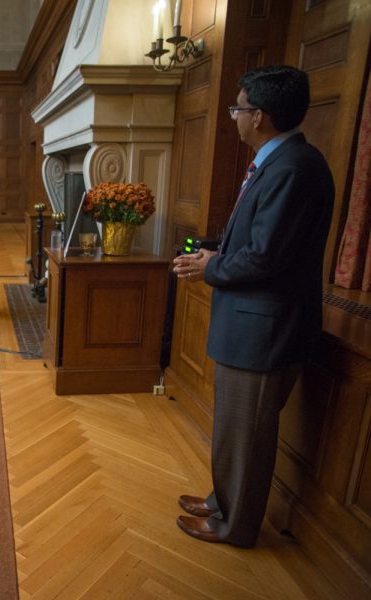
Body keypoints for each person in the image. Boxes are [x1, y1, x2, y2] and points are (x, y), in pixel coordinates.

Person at [171, 66, 334, 548]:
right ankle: (223, 502)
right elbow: (259, 239)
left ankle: (233, 526)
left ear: (259, 116)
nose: (234, 118)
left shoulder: (293, 167)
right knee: (235, 430)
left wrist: (210, 268)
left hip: (266, 330)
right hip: (252, 324)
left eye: (237, 108)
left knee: (247, 438)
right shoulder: (278, 161)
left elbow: (267, 257)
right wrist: (213, 247)